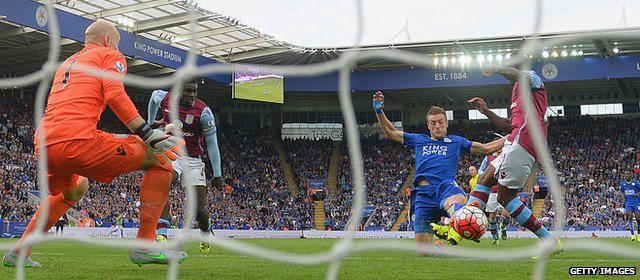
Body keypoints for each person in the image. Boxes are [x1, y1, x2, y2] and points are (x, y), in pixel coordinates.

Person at [2, 19, 185, 268]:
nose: (119, 49)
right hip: (75, 140)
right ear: (108, 40)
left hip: (45, 144)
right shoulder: (109, 54)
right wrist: (147, 132)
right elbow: (115, 94)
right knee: (162, 158)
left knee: (75, 189)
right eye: (118, 42)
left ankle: (19, 252)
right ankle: (145, 245)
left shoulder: (67, 63)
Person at [432, 53, 563, 257]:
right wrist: (485, 111)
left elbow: (519, 76)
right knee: (484, 180)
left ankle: (549, 241)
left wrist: (496, 68)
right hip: (516, 140)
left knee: (505, 197)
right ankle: (456, 228)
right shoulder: (517, 93)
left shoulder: (532, 78)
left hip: (524, 142)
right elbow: (509, 125)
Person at [373, 91, 505, 252]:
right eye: (433, 123)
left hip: (445, 188)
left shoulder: (456, 141)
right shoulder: (419, 140)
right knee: (424, 253)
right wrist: (379, 111)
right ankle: (439, 247)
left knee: (458, 199)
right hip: (422, 195)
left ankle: (452, 227)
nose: (437, 126)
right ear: (428, 125)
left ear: (447, 123)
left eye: (441, 122)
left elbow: (486, 148)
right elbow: (391, 132)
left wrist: (512, 137)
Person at [147, 82, 222, 253]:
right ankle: (162, 234)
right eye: (188, 91)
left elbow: (212, 144)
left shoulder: (204, 113)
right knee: (161, 184)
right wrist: (150, 121)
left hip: (193, 160)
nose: (192, 95)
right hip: (171, 154)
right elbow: (153, 96)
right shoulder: (165, 99)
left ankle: (205, 232)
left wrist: (217, 173)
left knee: (199, 210)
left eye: (195, 91)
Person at [620, 170, 640, 241]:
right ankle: (632, 235)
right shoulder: (622, 184)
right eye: (626, 174)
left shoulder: (635, 183)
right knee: (630, 217)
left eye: (628, 174)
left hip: (636, 203)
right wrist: (623, 198)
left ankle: (638, 234)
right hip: (628, 203)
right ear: (624, 175)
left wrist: (637, 194)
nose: (627, 175)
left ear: (630, 175)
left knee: (638, 218)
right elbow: (622, 192)